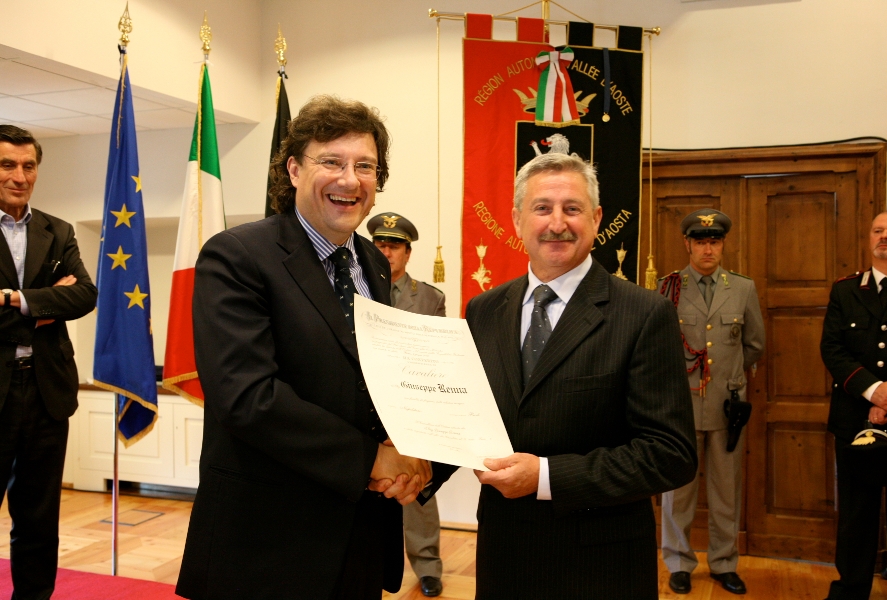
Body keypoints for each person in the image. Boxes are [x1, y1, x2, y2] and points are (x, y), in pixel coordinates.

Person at [175, 96, 431, 600]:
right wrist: (370, 460)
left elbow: (374, 380)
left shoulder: (374, 264)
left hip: (359, 534)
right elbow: (246, 396)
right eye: (332, 162)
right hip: (266, 543)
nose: (350, 180)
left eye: (365, 166)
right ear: (294, 169)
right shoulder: (238, 255)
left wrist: (416, 450)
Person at [458, 152, 697, 599]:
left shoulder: (645, 314)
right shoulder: (483, 310)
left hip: (599, 565)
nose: (557, 223)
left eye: (572, 208)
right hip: (504, 555)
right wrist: (412, 464)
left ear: (596, 218)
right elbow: (467, 415)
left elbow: (670, 454)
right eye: (542, 208)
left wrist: (546, 476)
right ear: (517, 220)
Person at [0, 124, 98, 599]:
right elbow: (63, 300)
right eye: (7, 165)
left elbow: (84, 295)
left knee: (38, 519)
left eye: (29, 166)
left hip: (45, 392)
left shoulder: (57, 231)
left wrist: (14, 299)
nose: (19, 176)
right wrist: (44, 303)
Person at [658, 208, 765, 596]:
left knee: (725, 490)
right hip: (682, 406)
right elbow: (658, 346)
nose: (708, 249)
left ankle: (723, 563)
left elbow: (754, 345)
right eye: (701, 242)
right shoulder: (668, 287)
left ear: (722, 245)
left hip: (726, 404)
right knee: (678, 490)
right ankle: (678, 562)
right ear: (687, 244)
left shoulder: (743, 289)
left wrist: (729, 376)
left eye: (715, 241)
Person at [820, 210, 887, 600]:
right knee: (856, 517)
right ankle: (850, 593)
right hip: (855, 420)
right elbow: (832, 349)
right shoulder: (846, 289)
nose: (884, 236)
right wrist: (872, 391)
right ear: (869, 238)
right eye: (878, 231)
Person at [367, 211, 446, 597]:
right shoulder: (356, 288)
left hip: (412, 404)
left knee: (417, 484)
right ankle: (368, 564)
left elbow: (438, 355)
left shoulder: (430, 298)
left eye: (394, 246)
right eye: (380, 245)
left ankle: (427, 565)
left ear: (408, 253)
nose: (386, 252)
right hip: (365, 406)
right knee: (368, 485)